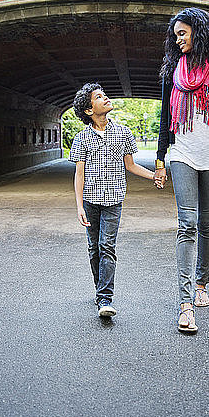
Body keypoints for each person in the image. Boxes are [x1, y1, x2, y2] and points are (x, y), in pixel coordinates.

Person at [154, 7, 209, 333]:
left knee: (207, 224)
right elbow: (165, 120)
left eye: (183, 34)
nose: (178, 41)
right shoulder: (172, 73)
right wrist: (161, 159)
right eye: (175, 36)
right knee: (186, 224)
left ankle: (202, 282)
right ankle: (186, 302)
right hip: (183, 155)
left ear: (199, 32)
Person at [69, 83, 161, 318]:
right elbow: (79, 174)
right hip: (90, 201)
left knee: (107, 246)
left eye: (105, 95)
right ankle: (100, 289)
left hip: (113, 200)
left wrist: (154, 176)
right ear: (89, 110)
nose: (106, 98)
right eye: (99, 97)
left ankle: (105, 298)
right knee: (94, 249)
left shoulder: (123, 133)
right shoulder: (82, 138)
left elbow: (130, 166)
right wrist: (79, 206)